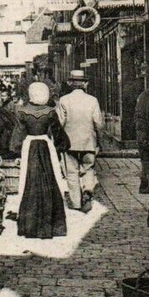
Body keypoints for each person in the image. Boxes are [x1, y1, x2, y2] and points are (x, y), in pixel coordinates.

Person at [11, 82, 67, 239]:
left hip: (29, 146)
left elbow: (18, 133)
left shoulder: (22, 112)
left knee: (30, 180)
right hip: (45, 146)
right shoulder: (50, 112)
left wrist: (16, 152)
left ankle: (30, 224)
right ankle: (52, 224)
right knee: (50, 179)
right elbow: (57, 132)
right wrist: (62, 146)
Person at [56, 69, 104, 212]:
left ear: (71, 83)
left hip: (69, 143)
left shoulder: (64, 100)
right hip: (88, 142)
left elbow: (60, 123)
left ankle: (76, 203)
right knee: (89, 168)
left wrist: (58, 142)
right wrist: (99, 141)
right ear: (84, 84)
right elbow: (99, 123)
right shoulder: (92, 100)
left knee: (71, 173)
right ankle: (88, 190)